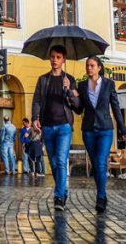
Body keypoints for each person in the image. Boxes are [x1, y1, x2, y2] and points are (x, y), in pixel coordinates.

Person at [70, 55, 126, 214]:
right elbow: (78, 110)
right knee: (96, 164)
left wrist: (123, 129)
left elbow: (115, 107)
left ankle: (101, 197)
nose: (89, 68)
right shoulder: (81, 85)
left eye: (91, 65)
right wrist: (72, 96)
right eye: (87, 65)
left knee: (101, 162)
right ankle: (101, 192)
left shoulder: (109, 84)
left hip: (105, 129)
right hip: (88, 129)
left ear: (99, 67)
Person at [31, 44, 78, 212]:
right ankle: (63, 190)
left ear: (64, 60)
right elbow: (36, 100)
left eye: (58, 57)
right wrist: (35, 118)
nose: (54, 60)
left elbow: (77, 106)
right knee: (53, 163)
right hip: (48, 127)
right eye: (52, 57)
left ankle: (58, 197)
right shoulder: (43, 79)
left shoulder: (70, 79)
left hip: (64, 126)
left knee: (60, 160)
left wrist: (68, 90)